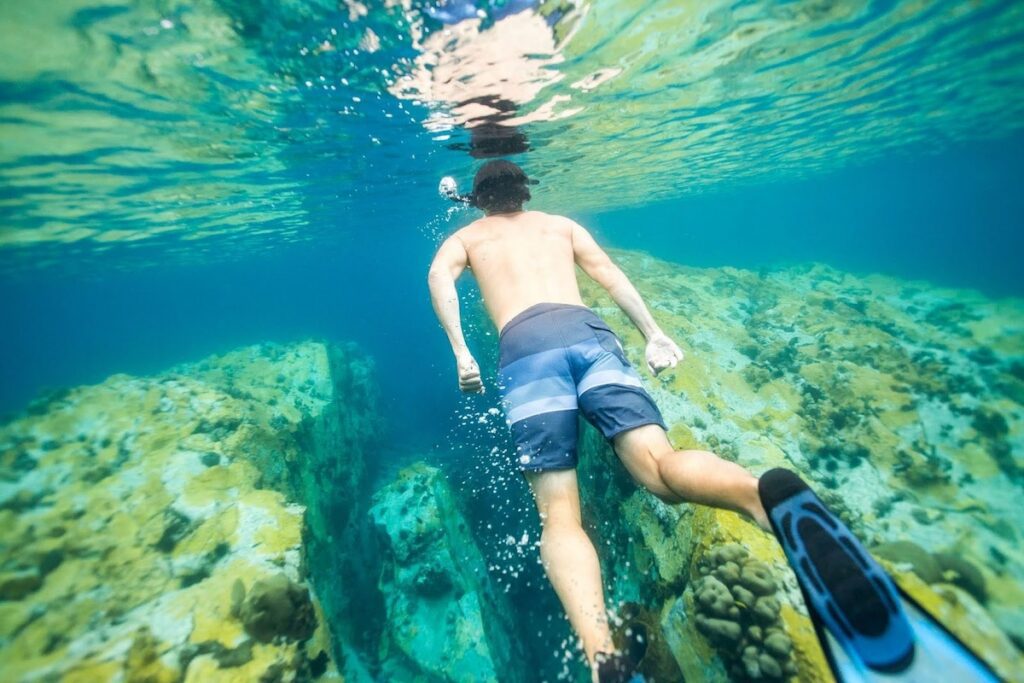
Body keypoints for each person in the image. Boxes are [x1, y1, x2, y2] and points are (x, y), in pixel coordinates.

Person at [427, 159, 770, 682]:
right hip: (590, 334)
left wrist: (460, 350)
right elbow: (610, 275)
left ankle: (601, 655)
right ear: (525, 193)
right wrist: (653, 332)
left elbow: (439, 279)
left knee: (560, 516)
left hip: (526, 350)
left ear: (478, 198)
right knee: (661, 467)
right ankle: (762, 495)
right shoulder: (560, 225)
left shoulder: (468, 237)